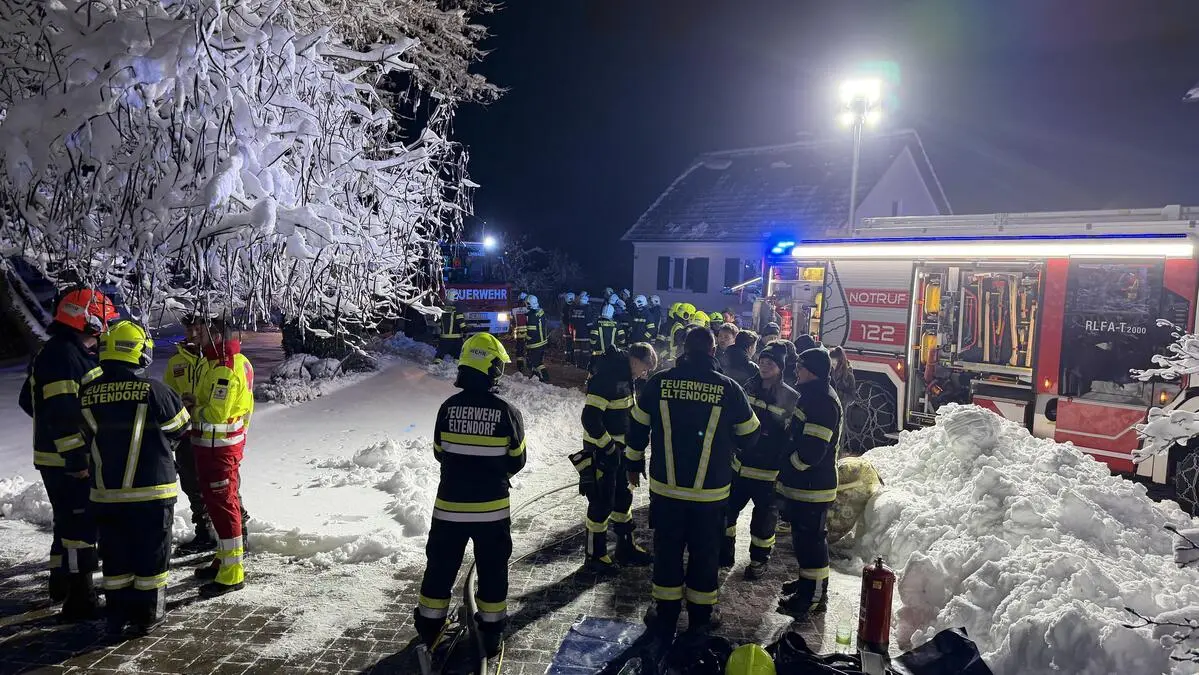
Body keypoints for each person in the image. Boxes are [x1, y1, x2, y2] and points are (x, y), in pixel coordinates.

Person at [625, 328, 760, 638]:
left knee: (668, 549)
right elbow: (751, 435)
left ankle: (665, 612)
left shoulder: (659, 382)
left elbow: (636, 428)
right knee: (705, 552)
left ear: (684, 349)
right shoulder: (729, 388)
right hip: (710, 493)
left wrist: (633, 464)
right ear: (713, 352)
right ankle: (701, 616)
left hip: (666, 490)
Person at [415, 333, 526, 658]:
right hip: (491, 512)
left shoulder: (447, 408)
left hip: (449, 509)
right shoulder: (506, 411)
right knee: (492, 571)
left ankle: (430, 628)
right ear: (491, 368)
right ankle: (490, 632)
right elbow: (517, 459)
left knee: (440, 567)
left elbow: (439, 452)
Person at [81, 320, 190, 636]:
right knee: (151, 555)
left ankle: (117, 612)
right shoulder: (155, 390)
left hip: (106, 495)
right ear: (139, 351)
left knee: (115, 555)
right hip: (152, 493)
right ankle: (148, 614)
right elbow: (180, 429)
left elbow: (81, 436)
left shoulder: (88, 393)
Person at [18, 288, 118, 619]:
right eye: (103, 321)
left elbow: (29, 402)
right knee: (79, 529)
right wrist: (76, 457)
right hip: (69, 462)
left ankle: (61, 583)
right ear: (87, 320)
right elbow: (61, 413)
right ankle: (80, 597)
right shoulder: (63, 357)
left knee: (67, 524)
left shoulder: (62, 352)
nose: (105, 327)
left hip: (57, 457)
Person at [571, 343, 657, 573]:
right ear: (635, 361)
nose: (644, 373)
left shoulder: (624, 376)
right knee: (601, 503)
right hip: (604, 454)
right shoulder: (607, 378)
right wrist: (608, 447)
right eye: (645, 368)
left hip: (619, 452)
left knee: (622, 499)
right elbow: (590, 419)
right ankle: (595, 555)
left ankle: (625, 547)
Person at [189, 316, 255, 598]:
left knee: (224, 506)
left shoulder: (225, 368)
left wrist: (190, 408)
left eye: (199, 329)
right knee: (217, 506)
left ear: (216, 333)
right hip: (215, 447)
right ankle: (222, 560)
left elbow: (215, 413)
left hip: (220, 449)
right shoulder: (216, 361)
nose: (194, 334)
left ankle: (232, 573)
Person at [776, 347, 842, 619]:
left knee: (811, 542)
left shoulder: (822, 402)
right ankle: (808, 585)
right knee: (803, 541)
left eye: (800, 366)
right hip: (805, 485)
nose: (796, 371)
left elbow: (813, 451)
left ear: (812, 371)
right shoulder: (813, 395)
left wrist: (789, 466)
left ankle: (813, 597)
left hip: (813, 486)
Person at [723, 343, 798, 580]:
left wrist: (783, 466)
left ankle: (758, 561)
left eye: (771, 363)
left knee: (764, 522)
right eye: (763, 361)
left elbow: (791, 436)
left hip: (768, 472)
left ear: (780, 367)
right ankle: (724, 553)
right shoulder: (747, 387)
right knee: (726, 513)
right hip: (740, 466)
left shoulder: (791, 397)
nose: (765, 366)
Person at [165, 315, 216, 555]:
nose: (193, 332)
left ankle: (239, 532)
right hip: (185, 435)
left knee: (220, 486)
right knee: (191, 486)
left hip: (213, 435)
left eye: (198, 326)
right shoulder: (177, 361)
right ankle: (205, 533)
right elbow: (168, 398)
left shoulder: (217, 360)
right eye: (188, 327)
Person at [436, 289, 468, 362]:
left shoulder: (442, 310)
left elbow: (438, 322)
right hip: (456, 339)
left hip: (443, 339)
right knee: (457, 355)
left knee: (440, 355)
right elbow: (462, 325)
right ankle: (454, 370)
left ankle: (435, 367)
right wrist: (466, 330)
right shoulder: (457, 312)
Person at [524, 295, 549, 382]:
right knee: (535, 360)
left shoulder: (532, 316)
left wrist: (526, 338)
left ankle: (545, 377)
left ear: (529, 304)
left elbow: (531, 332)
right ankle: (535, 376)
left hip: (535, 343)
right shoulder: (540, 312)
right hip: (542, 342)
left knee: (536, 362)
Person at [570, 292, 595, 371]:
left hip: (576, 335)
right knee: (585, 352)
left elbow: (571, 322)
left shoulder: (574, 309)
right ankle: (584, 366)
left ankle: (577, 365)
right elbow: (589, 324)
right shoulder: (587, 309)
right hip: (585, 336)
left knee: (577, 351)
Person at [512, 291, 529, 375]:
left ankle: (520, 366)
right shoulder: (528, 309)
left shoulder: (514, 310)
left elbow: (512, 321)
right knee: (529, 349)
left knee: (519, 350)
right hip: (529, 333)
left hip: (518, 333)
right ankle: (530, 364)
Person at [562, 292, 577, 365]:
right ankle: (572, 359)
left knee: (568, 345)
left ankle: (568, 359)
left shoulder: (565, 307)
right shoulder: (574, 307)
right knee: (572, 344)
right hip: (572, 328)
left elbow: (563, 319)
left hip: (567, 328)